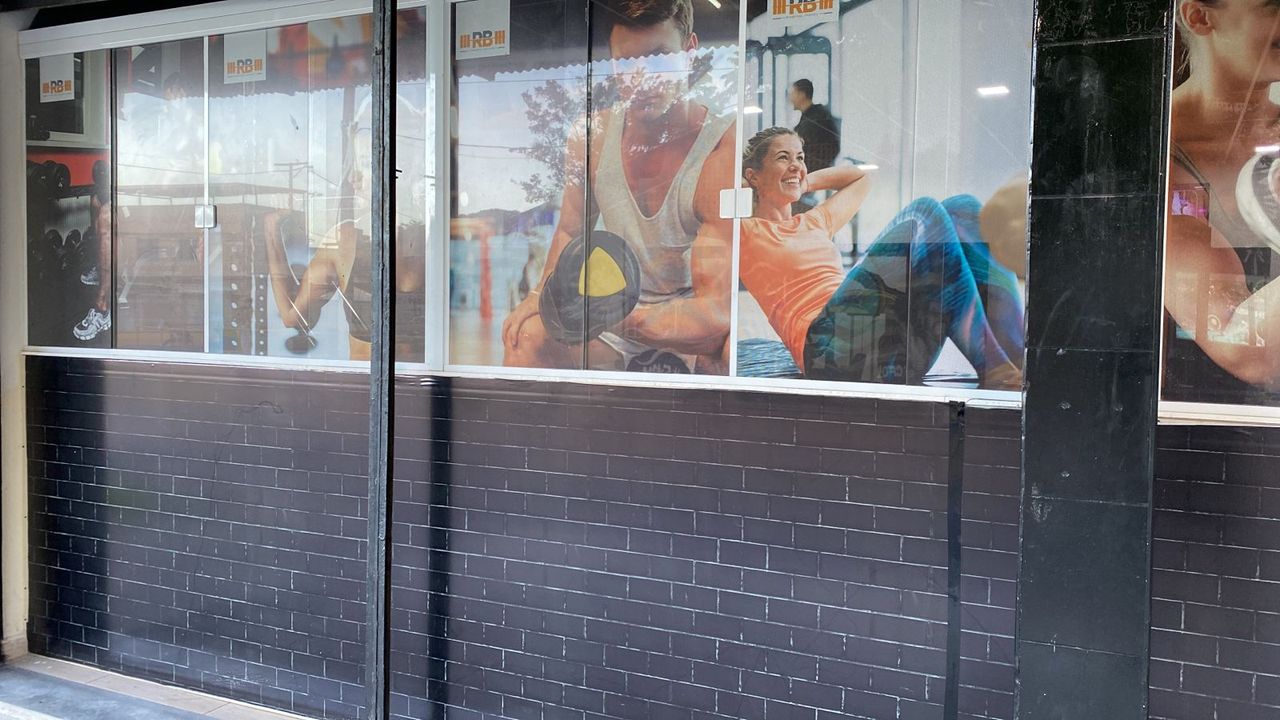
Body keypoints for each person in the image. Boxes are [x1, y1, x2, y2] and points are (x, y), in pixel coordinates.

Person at [502, 0, 737, 373]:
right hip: (610, 325)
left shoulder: (723, 146)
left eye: (659, 57)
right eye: (626, 62)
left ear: (689, 51)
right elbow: (570, 229)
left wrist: (602, 314)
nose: (641, 78)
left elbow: (716, 313)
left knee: (726, 355)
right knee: (525, 338)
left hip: (685, 328)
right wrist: (541, 295)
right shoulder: (590, 135)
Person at [738, 127, 1023, 388]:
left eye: (800, 157)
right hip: (828, 354)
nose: (796, 164)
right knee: (923, 212)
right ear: (753, 176)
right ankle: (996, 369)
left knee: (963, 207)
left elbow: (861, 177)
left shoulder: (815, 221)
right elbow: (715, 196)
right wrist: (754, 184)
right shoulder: (744, 231)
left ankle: (1018, 359)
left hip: (882, 344)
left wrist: (801, 180)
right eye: (783, 157)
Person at [1164, 0, 1280, 396]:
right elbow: (1244, 348)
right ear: (1199, 16)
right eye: (1273, 5)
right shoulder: (1158, 153)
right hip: (1214, 420)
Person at [789, 79, 839, 173]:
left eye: (792, 94)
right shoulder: (812, 116)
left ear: (802, 94)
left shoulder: (816, 119)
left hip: (815, 172)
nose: (790, 99)